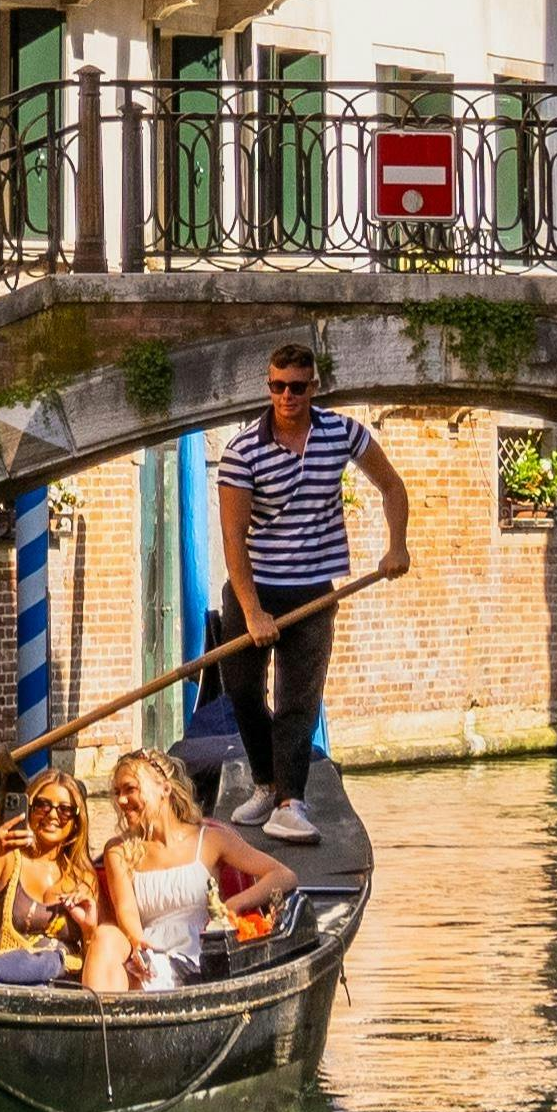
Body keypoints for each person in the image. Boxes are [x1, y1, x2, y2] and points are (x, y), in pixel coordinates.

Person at [216, 342, 411, 846]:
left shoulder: (342, 433)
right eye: (278, 386)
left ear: (314, 387)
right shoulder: (242, 451)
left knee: (298, 701)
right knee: (242, 691)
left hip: (313, 593)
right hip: (254, 588)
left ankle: (290, 804)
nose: (287, 396)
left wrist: (397, 545)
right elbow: (234, 537)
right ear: (269, 387)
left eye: (297, 387)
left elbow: (392, 486)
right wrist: (253, 611)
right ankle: (266, 783)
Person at [82, 748, 295, 996]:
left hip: (204, 955)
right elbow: (126, 911)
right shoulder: (119, 850)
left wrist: (234, 904)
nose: (120, 801)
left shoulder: (211, 840)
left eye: (130, 789)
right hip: (150, 953)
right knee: (106, 936)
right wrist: (139, 945)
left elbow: (282, 875)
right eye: (117, 792)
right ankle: (101, 1017)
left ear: (165, 788)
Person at [0, 770, 102, 975]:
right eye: (43, 805)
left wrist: (89, 930)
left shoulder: (84, 878)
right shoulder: (8, 859)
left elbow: (93, 959)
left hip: (61, 979)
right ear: (29, 809)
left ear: (76, 822)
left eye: (65, 810)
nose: (52, 815)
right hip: (3, 975)